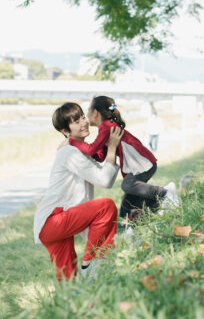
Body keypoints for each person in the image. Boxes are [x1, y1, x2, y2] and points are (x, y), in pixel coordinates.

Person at [34, 102, 123, 281]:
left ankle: (83, 289)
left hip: (53, 225)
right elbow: (105, 180)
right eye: (75, 121)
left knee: (69, 284)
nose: (83, 122)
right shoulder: (69, 153)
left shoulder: (80, 152)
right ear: (65, 131)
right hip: (53, 220)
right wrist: (112, 147)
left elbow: (106, 176)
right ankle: (91, 265)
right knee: (105, 206)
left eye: (82, 117)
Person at [68, 96, 178, 229]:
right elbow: (100, 156)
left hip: (142, 163)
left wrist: (73, 141)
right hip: (141, 164)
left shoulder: (107, 127)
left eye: (87, 112)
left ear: (95, 113)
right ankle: (132, 223)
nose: (86, 117)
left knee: (128, 185)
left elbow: (91, 149)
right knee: (128, 201)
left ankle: (164, 192)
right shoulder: (106, 128)